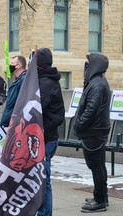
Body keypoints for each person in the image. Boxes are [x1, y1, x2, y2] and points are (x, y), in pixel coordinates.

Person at [74, 53, 110, 213]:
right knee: (99, 165)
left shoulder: (97, 84)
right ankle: (102, 197)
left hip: (93, 132)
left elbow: (91, 109)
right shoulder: (97, 82)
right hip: (97, 131)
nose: (85, 65)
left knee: (96, 166)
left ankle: (100, 201)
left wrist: (79, 125)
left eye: (88, 63)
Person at [34, 48, 65, 216]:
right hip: (45, 137)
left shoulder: (46, 83)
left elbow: (38, 109)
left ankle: (45, 213)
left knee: (43, 180)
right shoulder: (43, 80)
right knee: (40, 179)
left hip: (46, 138)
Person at [0, 55, 27, 128]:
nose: (9, 65)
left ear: (18, 66)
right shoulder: (18, 80)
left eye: (12, 63)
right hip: (11, 121)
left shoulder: (24, 79)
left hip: (15, 122)